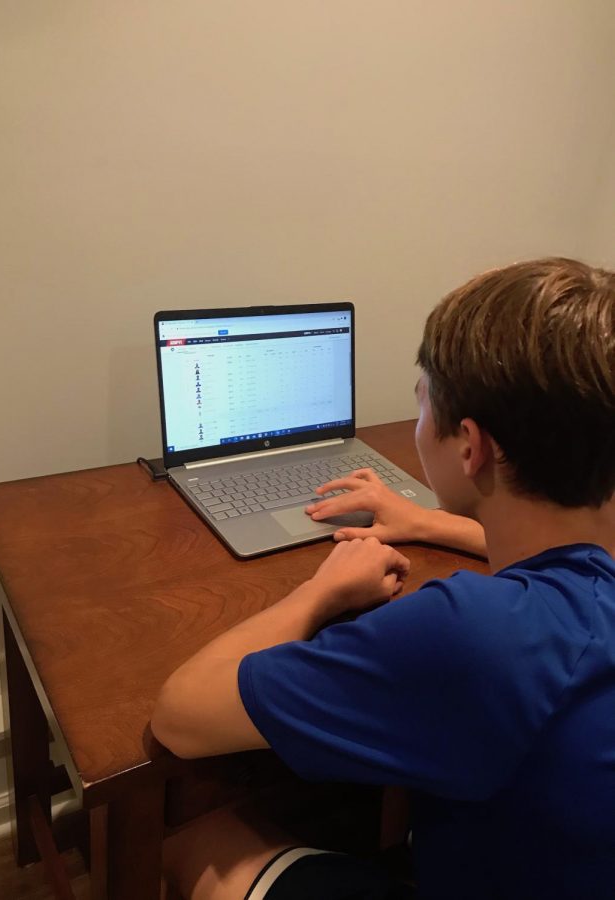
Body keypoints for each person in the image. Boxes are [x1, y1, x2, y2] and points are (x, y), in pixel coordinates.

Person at [151, 257, 615, 900]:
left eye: (425, 397)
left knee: (190, 840)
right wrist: (426, 520)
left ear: (471, 447)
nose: (419, 410)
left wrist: (323, 589)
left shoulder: (473, 633)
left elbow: (180, 713)